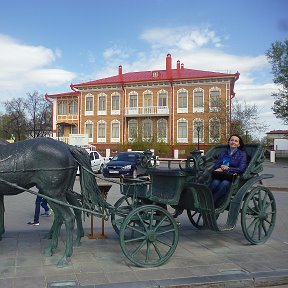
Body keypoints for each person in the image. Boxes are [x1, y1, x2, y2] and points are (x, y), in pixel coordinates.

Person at [209, 134, 247, 204]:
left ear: (238, 144)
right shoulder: (223, 153)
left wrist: (228, 168)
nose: (233, 142)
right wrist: (220, 167)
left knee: (224, 184)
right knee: (215, 183)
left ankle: (212, 203)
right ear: (229, 142)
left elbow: (241, 168)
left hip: (231, 177)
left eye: (236, 141)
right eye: (232, 140)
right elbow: (216, 164)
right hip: (220, 175)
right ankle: (205, 199)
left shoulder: (242, 154)